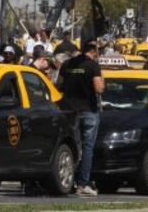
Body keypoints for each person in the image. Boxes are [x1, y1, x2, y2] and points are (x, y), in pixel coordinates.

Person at [57, 41, 104, 196]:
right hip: (88, 110)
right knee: (88, 147)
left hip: (69, 110)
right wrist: (101, 79)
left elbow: (59, 86)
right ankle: (83, 183)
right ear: (94, 51)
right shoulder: (93, 66)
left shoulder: (66, 65)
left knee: (72, 147)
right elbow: (98, 89)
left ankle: (67, 180)